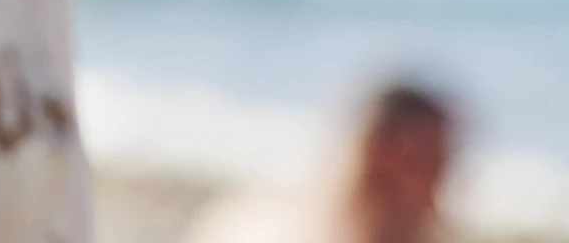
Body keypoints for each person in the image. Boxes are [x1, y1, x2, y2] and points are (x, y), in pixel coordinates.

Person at [186, 80, 461, 243]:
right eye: (422, 162)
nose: (440, 177)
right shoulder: (284, 231)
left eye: (443, 160)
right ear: (376, 160)